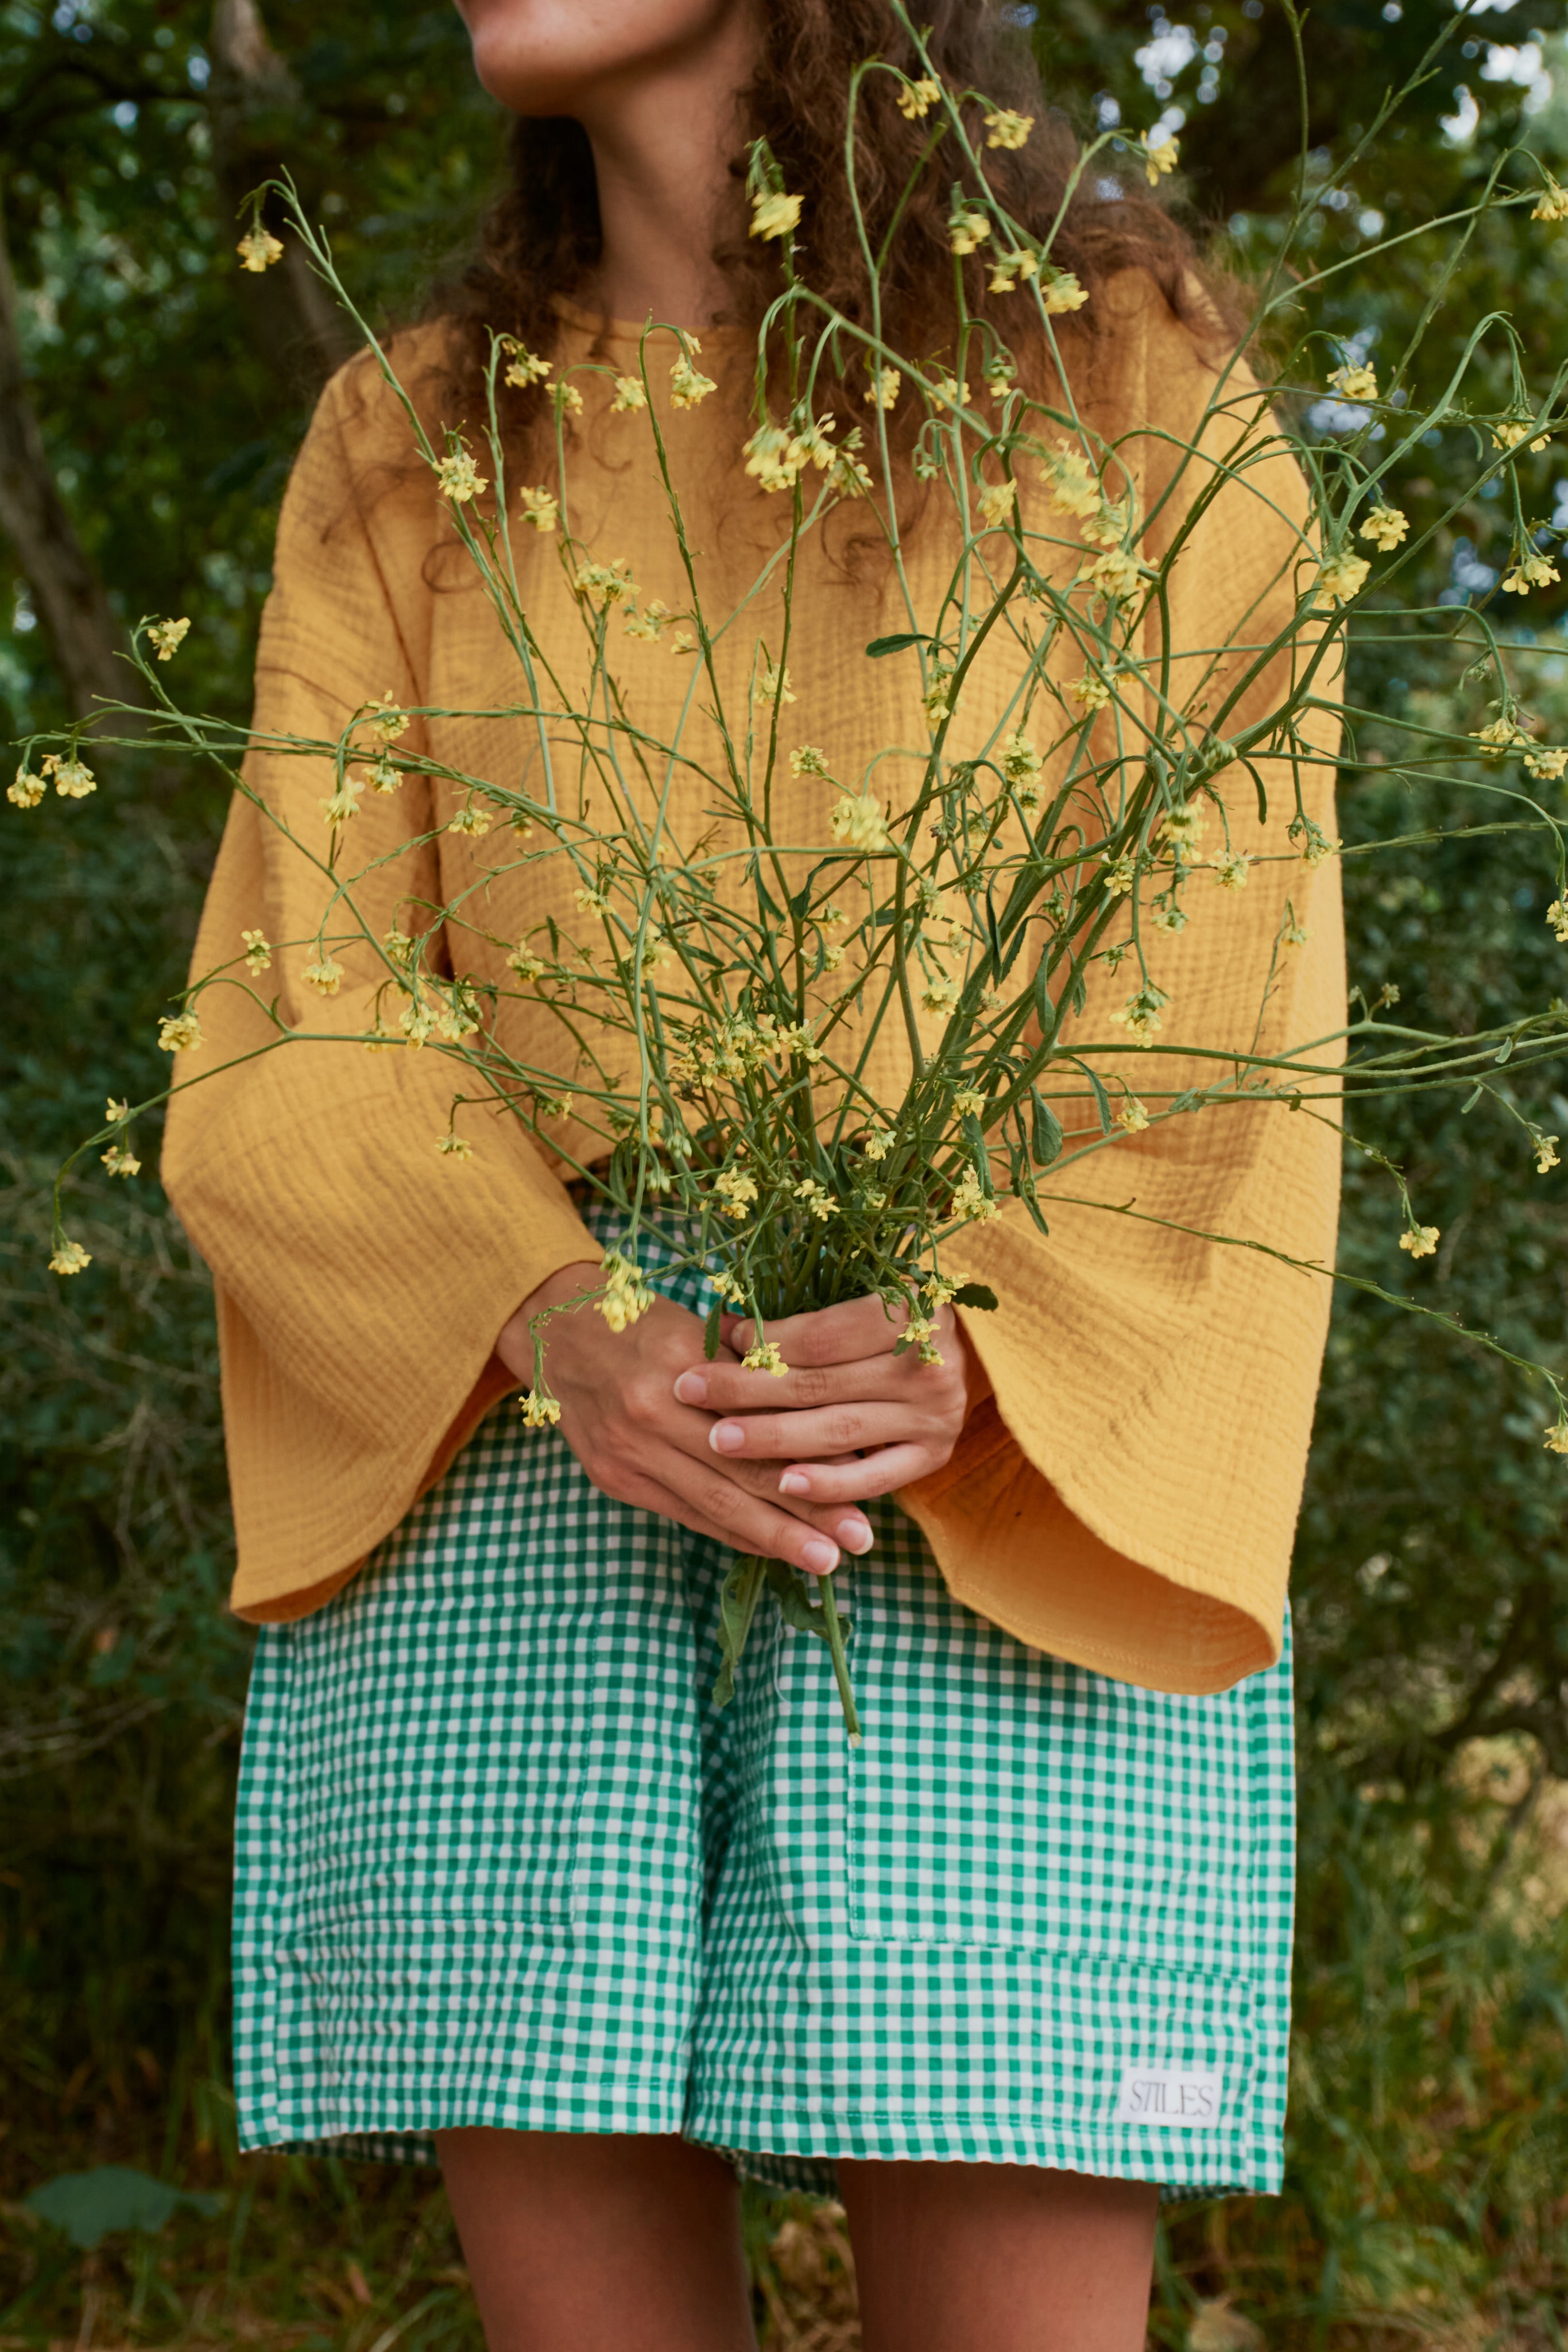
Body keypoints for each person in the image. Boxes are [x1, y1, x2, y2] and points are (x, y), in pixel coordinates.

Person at [164, 2, 1345, 2346]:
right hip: (526, 1445)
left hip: (1002, 1474)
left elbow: (1231, 982)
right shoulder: (412, 440)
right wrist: (549, 1311)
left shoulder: (1119, 385)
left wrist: (979, 1337)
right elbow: (295, 995)